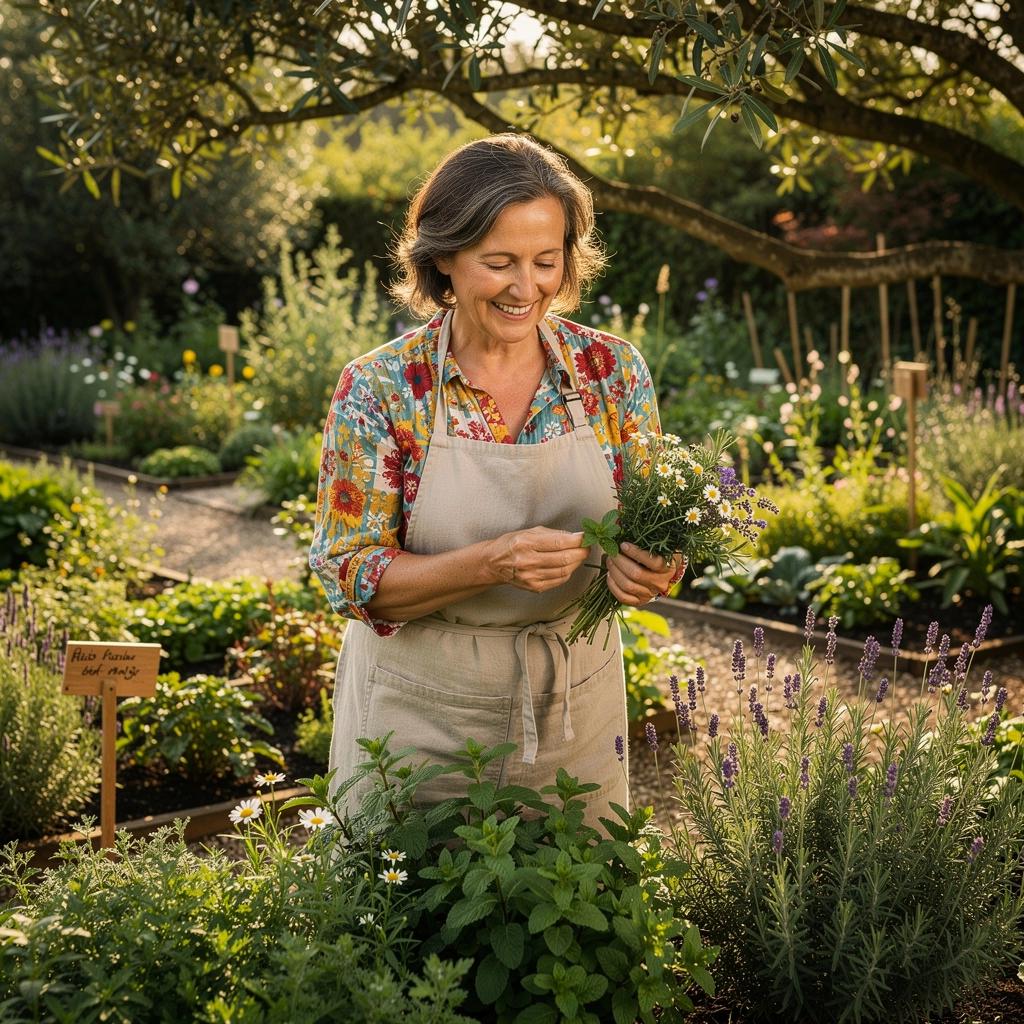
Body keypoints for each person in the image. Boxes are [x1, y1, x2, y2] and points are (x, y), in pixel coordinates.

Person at [309, 134, 682, 825]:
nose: (526, 288)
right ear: (444, 257)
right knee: (407, 921)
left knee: (582, 914)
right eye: (500, 262)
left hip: (578, 711)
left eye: (546, 261)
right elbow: (347, 573)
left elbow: (658, 538)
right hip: (419, 719)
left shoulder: (611, 372)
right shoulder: (385, 389)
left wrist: (656, 569)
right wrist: (488, 564)